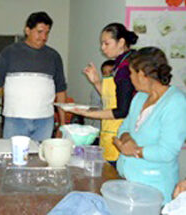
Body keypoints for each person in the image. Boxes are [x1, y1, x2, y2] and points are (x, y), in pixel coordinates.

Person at [113, 47, 186, 204]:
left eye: (131, 73)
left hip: (153, 189)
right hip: (128, 181)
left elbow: (167, 151)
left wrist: (135, 151)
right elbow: (124, 126)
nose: (130, 78)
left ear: (142, 75)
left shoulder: (176, 102)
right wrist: (126, 139)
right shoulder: (140, 97)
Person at [0, 11, 67, 141]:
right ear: (27, 30)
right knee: (14, 157)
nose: (44, 37)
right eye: (39, 32)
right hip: (15, 120)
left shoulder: (54, 57)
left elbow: (60, 90)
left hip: (44, 121)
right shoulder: (9, 53)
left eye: (47, 33)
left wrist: (62, 124)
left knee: (40, 158)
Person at [66, 23, 138, 166]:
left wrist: (88, 113)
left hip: (126, 131)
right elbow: (112, 99)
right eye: (101, 44)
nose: (102, 48)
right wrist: (96, 82)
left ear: (121, 42)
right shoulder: (119, 64)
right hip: (112, 129)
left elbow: (122, 110)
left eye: (106, 43)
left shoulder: (127, 67)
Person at [85, 60, 115, 131]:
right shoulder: (98, 88)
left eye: (111, 72)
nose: (108, 75)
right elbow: (93, 108)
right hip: (99, 127)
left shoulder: (123, 88)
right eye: (105, 73)